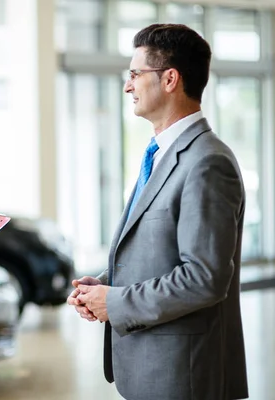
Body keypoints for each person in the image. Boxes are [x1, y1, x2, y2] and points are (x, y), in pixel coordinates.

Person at [67, 24, 248, 400]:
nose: (127, 86)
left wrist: (114, 303)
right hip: (153, 371)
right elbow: (158, 251)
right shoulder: (161, 153)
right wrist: (104, 286)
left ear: (170, 79)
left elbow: (203, 278)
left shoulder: (208, 162)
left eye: (135, 74)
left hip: (183, 377)